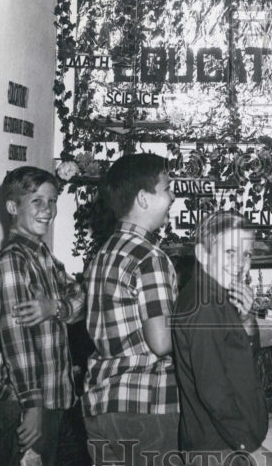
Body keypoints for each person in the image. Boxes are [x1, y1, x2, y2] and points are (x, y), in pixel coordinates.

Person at [0, 166, 87, 466]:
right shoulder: (13, 262)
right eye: (37, 201)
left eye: (52, 201)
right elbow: (18, 344)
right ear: (13, 207)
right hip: (28, 403)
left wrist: (54, 308)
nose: (48, 210)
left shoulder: (43, 256)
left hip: (52, 398)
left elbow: (80, 298)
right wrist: (32, 406)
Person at [82, 153, 179, 464]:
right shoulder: (150, 256)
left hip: (101, 405)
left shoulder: (103, 254)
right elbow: (161, 342)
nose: (172, 195)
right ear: (143, 198)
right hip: (146, 407)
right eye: (166, 188)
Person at [172, 211, 269, 465]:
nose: (240, 263)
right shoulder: (205, 304)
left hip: (223, 445)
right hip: (219, 449)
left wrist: (246, 320)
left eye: (247, 253)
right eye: (230, 252)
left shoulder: (215, 295)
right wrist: (247, 446)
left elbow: (240, 363)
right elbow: (213, 390)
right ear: (203, 254)